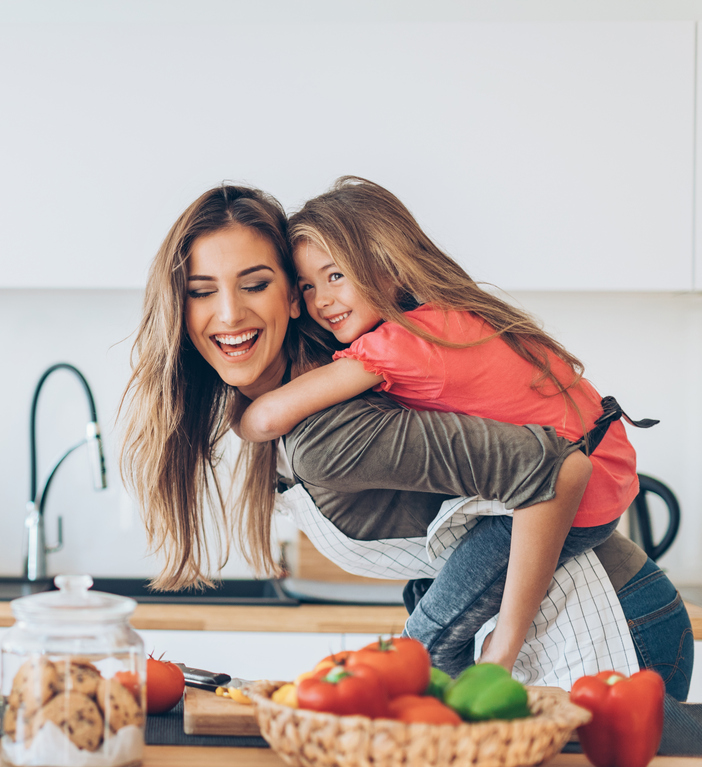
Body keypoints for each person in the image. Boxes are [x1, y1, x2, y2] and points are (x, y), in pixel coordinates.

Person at [119, 183, 692, 698]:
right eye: (200, 290)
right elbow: (445, 534)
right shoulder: (329, 384)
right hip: (547, 640)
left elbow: (554, 468)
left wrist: (455, 656)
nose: (228, 312)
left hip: (609, 627)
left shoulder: (333, 419)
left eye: (255, 283)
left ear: (288, 298)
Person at [234, 177, 651, 673]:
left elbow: (267, 418)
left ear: (388, 264)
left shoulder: (400, 344)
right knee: (429, 599)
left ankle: (493, 661)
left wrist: (235, 408)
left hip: (576, 491)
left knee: (427, 637)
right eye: (306, 285)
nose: (321, 300)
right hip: (607, 473)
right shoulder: (444, 318)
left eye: (336, 275)